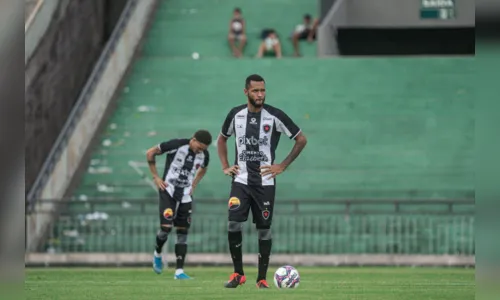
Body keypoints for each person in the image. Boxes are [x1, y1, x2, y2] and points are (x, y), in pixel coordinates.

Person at [217, 74, 307, 288]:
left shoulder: (275, 115)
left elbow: (301, 139)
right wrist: (225, 165)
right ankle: (238, 274)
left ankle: (262, 278)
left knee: (264, 229)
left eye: (263, 90)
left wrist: (282, 165)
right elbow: (222, 139)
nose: (260, 94)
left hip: (265, 183)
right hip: (240, 180)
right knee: (233, 223)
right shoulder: (235, 114)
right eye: (256, 90)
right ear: (246, 91)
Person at [146, 130, 212, 279]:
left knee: (182, 232)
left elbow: (204, 169)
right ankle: (157, 253)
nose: (200, 151)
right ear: (193, 139)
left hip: (185, 196)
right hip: (168, 191)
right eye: (199, 147)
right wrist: (156, 177)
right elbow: (150, 153)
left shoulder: (204, 155)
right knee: (166, 228)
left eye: (203, 149)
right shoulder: (176, 145)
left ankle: (179, 272)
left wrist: (194, 184)